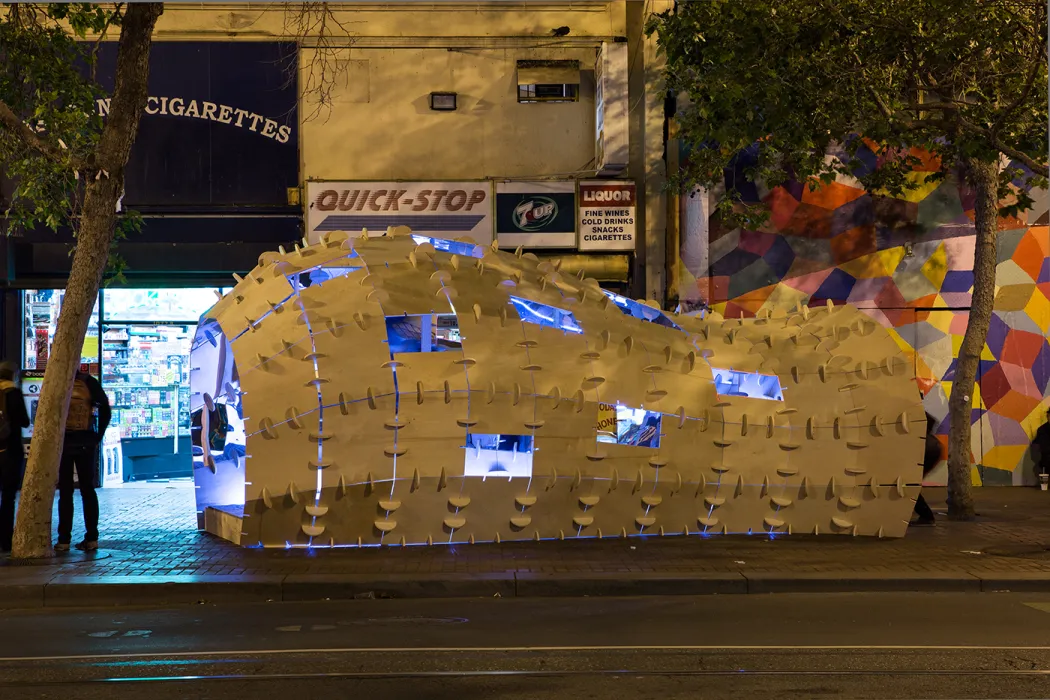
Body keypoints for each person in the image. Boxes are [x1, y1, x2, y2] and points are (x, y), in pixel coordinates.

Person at [56, 369, 111, 553]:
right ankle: (92, 537)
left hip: (63, 442)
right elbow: (105, 409)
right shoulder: (89, 382)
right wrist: (97, 436)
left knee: (65, 491)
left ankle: (63, 540)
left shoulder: (59, 381)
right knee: (88, 490)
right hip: (86, 442)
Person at [0, 363, 30, 553]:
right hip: (10, 451)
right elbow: (25, 421)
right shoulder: (13, 393)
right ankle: (6, 540)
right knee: (9, 496)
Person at [912, 413, 940, 526]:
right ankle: (926, 516)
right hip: (930, 447)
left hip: (927, 450)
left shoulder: (910, 410)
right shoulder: (913, 410)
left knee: (910, 484)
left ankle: (927, 516)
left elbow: (931, 421)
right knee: (910, 484)